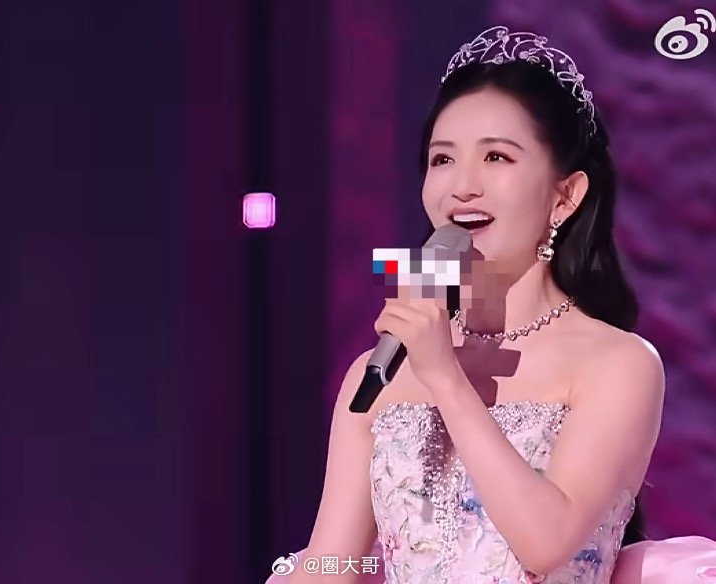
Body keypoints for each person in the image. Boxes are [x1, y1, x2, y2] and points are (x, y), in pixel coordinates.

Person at [267, 26, 716, 583]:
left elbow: (547, 543)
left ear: (565, 196)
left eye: (497, 157)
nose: (461, 186)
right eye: (442, 160)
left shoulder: (618, 364)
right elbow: (334, 559)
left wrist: (446, 379)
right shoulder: (379, 371)